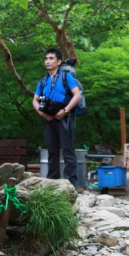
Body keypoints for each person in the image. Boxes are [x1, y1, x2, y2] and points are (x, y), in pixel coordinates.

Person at [32, 47, 82, 187]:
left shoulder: (66, 77)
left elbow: (77, 95)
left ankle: (70, 184)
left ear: (59, 61)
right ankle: (52, 182)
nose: (47, 61)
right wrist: (41, 113)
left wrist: (65, 111)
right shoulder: (43, 80)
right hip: (49, 118)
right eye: (46, 58)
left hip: (65, 118)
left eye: (51, 58)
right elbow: (34, 100)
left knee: (68, 151)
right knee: (52, 152)